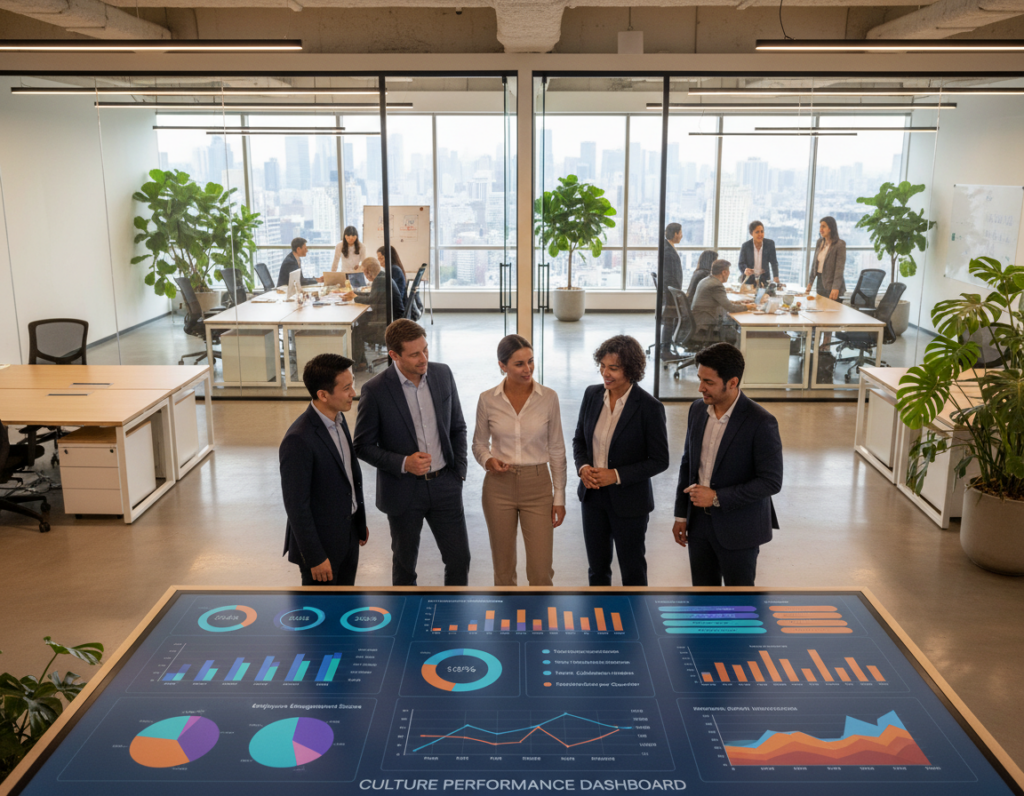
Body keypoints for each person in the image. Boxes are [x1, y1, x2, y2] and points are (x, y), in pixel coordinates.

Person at [353, 319, 471, 586]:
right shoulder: (375, 390)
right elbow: (361, 445)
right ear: (394, 355)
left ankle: (453, 614)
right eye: (415, 354)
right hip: (403, 491)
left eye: (426, 350)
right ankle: (406, 623)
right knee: (405, 566)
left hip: (445, 486)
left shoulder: (442, 374)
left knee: (459, 560)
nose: (424, 359)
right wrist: (404, 463)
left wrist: (458, 474)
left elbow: (457, 427)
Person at [672, 342, 783, 586]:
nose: (700, 388)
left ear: (732, 382)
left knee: (739, 604)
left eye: (709, 382)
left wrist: (716, 497)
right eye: (700, 379)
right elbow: (688, 463)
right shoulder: (697, 410)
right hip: (699, 524)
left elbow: (771, 481)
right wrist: (681, 515)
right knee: (703, 599)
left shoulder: (761, 422)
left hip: (740, 529)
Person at [572, 335, 669, 586]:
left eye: (613, 368)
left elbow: (660, 460)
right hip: (592, 497)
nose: (605, 373)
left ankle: (635, 622)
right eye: (602, 366)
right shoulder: (592, 395)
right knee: (597, 569)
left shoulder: (649, 407)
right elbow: (579, 441)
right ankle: (599, 621)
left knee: (633, 570)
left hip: (630, 502)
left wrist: (615, 475)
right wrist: (583, 468)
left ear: (631, 369)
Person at [472, 334, 566, 587]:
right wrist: (488, 460)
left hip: (538, 486)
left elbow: (557, 448)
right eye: (519, 364)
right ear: (502, 366)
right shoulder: (487, 399)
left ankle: (541, 623)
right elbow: (479, 443)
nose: (528, 369)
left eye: (531, 361)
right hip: (497, 487)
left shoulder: (548, 398)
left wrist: (559, 497)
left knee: (540, 571)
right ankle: (507, 622)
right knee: (502, 572)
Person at [279, 353, 369, 586]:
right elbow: (296, 507)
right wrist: (315, 557)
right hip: (321, 548)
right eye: (347, 387)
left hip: (348, 534)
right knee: (322, 616)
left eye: (353, 385)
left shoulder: (339, 420)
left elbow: (348, 477)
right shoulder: (298, 439)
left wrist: (358, 522)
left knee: (346, 609)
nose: (353, 393)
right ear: (323, 395)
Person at [345, 257, 404, 367]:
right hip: (392, 319)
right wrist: (354, 295)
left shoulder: (380, 280)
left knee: (356, 330)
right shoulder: (382, 276)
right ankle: (361, 362)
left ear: (367, 271)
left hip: (387, 324)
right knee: (360, 322)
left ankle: (359, 364)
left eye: (363, 272)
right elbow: (373, 297)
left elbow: (371, 300)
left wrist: (353, 297)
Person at [690, 259, 756, 344]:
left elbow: (722, 302)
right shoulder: (716, 285)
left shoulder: (707, 280)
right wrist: (749, 307)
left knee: (731, 324)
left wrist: (739, 303)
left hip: (699, 321)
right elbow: (730, 308)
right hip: (706, 324)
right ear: (724, 272)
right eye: (728, 271)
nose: (729, 274)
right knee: (733, 333)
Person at [806, 216, 846, 301]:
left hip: (833, 285)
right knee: (820, 311)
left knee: (831, 313)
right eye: (820, 226)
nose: (821, 229)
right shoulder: (819, 242)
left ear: (830, 228)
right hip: (820, 283)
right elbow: (814, 265)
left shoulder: (839, 244)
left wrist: (835, 288)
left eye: (823, 226)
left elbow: (839, 269)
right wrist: (810, 284)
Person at [660, 223, 684, 353]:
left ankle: (666, 347)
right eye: (680, 233)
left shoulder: (668, 247)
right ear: (675, 234)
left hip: (670, 291)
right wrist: (676, 293)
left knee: (670, 320)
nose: (681, 236)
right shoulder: (668, 251)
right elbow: (669, 275)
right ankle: (665, 350)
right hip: (670, 292)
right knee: (670, 321)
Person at [738, 220, 780, 287]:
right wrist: (745, 270)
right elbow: (741, 263)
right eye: (757, 232)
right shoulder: (745, 246)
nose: (760, 234)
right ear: (751, 233)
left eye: (762, 231)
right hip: (749, 280)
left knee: (765, 297)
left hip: (764, 279)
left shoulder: (770, 244)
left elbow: (774, 262)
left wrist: (776, 276)